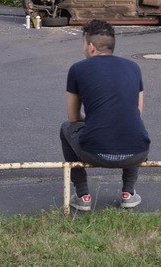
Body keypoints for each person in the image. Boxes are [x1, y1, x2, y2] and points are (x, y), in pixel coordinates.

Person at [60, 20, 150, 212]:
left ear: (91, 47)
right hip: (137, 153)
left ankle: (83, 195)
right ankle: (128, 192)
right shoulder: (134, 67)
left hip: (95, 153)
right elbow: (137, 111)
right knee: (130, 122)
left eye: (83, 44)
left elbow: (73, 116)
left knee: (65, 128)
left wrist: (96, 120)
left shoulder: (78, 69)